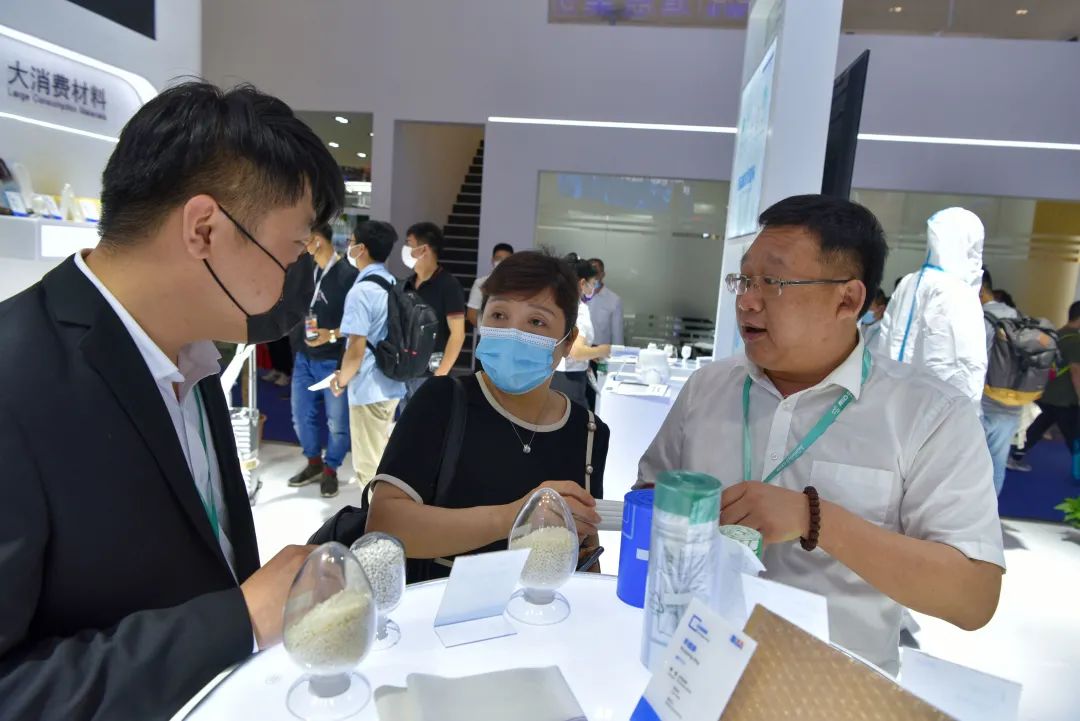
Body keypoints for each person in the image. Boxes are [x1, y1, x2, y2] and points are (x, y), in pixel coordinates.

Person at [0, 82, 342, 719]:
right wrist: (237, 622)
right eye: (293, 249)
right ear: (205, 230)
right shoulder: (15, 377)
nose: (296, 277)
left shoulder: (193, 354)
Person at [638, 195, 1004, 675]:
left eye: (773, 282)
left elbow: (973, 597)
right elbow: (649, 495)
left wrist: (816, 520)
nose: (747, 300)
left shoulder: (928, 415)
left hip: (831, 689)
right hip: (691, 666)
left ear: (847, 299)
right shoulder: (708, 387)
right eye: (744, 280)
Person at [366, 251, 610, 580]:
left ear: (569, 342)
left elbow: (585, 548)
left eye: (536, 322)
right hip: (436, 604)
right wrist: (515, 517)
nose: (512, 332)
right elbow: (384, 525)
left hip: (536, 608)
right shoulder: (442, 401)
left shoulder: (588, 431)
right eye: (498, 315)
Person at [873, 207, 988, 405]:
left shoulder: (908, 282)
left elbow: (885, 341)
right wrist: (967, 413)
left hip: (890, 398)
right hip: (935, 409)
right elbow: (963, 364)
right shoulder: (958, 291)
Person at [331, 220, 407, 488]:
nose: (348, 247)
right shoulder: (392, 282)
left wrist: (341, 381)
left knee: (369, 469)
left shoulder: (362, 291)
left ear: (361, 249)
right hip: (391, 382)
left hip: (368, 387)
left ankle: (375, 514)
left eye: (350, 242)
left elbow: (355, 349)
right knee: (382, 458)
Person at [286, 223, 358, 498]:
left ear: (318, 239)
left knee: (337, 423)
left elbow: (358, 324)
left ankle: (331, 469)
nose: (303, 245)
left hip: (333, 360)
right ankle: (314, 462)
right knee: (300, 416)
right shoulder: (306, 269)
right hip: (304, 357)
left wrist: (332, 335)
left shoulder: (348, 275)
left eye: (306, 240)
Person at [1009, 301, 1080, 472]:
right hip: (1065, 398)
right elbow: (1076, 371)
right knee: (1074, 435)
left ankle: (1015, 456)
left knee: (1036, 427)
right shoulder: (1075, 341)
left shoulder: (1056, 334)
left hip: (1046, 392)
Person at [400, 222, 466, 405]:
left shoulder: (448, 285)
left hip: (430, 374)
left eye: (409, 244)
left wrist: (440, 375)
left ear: (424, 249)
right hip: (404, 373)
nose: (406, 250)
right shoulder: (407, 284)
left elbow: (458, 335)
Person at [979, 268, 1023, 495]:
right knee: (997, 461)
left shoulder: (979, 319)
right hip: (1012, 402)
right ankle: (992, 509)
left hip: (983, 401)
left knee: (969, 462)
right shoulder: (1018, 316)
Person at [552, 257, 612, 409]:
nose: (593, 288)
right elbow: (576, 352)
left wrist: (591, 354)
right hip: (570, 379)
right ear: (582, 283)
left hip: (553, 376)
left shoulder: (558, 304)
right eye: (593, 283)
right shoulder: (579, 309)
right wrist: (603, 350)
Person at [466, 242, 514, 327]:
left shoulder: (519, 285)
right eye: (498, 258)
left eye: (506, 259)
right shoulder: (481, 283)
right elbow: (471, 315)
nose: (501, 262)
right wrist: (489, 330)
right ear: (492, 260)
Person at [587, 257, 625, 347]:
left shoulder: (614, 300)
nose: (593, 276)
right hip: (578, 348)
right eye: (589, 272)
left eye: (596, 272)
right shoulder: (577, 297)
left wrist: (617, 352)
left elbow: (617, 334)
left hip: (600, 350)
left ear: (602, 274)